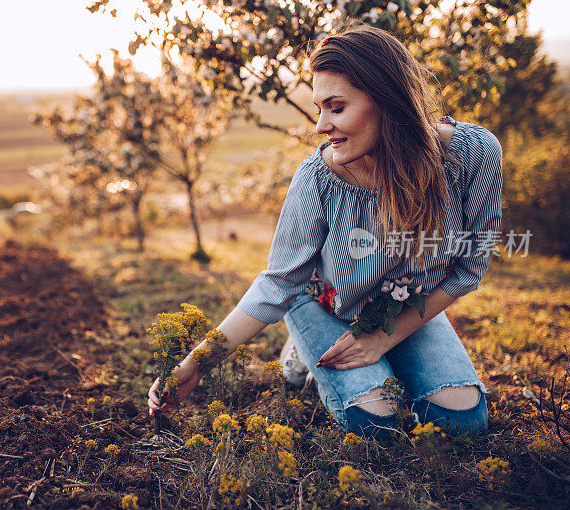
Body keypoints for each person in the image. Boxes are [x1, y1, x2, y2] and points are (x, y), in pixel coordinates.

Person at [147, 24, 501, 439]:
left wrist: (383, 340)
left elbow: (469, 268)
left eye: (336, 107)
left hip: (408, 310)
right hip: (325, 304)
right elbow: (277, 284)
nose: (320, 125)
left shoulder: (474, 155)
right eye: (318, 108)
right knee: (377, 427)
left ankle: (384, 358)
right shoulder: (318, 179)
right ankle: (303, 347)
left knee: (462, 424)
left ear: (389, 102)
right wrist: (196, 363)